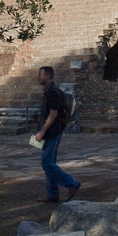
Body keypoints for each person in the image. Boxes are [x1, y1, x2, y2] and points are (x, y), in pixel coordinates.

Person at [35, 66, 80, 203]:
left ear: (47, 76)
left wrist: (42, 131)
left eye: (40, 75)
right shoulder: (50, 91)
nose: (38, 77)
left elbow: (53, 114)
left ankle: (71, 184)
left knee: (47, 164)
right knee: (50, 163)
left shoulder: (53, 92)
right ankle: (53, 194)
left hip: (51, 132)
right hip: (52, 131)